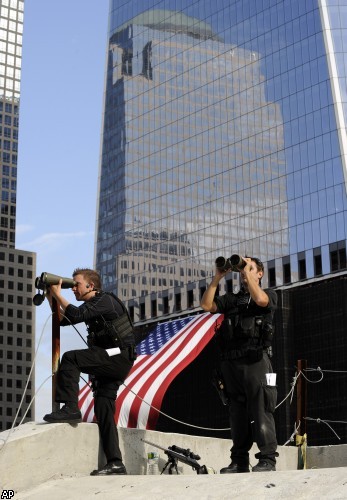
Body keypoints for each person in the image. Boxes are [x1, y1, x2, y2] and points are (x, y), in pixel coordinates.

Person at [43, 268, 136, 476]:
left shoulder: (105, 301)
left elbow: (75, 314)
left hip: (118, 356)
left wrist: (59, 292)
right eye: (72, 285)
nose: (73, 288)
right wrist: (52, 297)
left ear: (90, 286)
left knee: (71, 358)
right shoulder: (92, 306)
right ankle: (115, 462)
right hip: (113, 358)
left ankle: (70, 407)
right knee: (103, 407)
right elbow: (65, 320)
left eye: (76, 284)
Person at [201, 256, 278, 473]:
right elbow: (207, 305)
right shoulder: (232, 300)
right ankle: (239, 461)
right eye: (243, 269)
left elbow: (261, 300)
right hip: (231, 365)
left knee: (261, 409)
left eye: (251, 268)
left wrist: (247, 272)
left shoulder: (268, 295)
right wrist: (218, 276)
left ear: (260, 273)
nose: (244, 272)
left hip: (256, 362)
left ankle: (267, 459)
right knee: (237, 414)